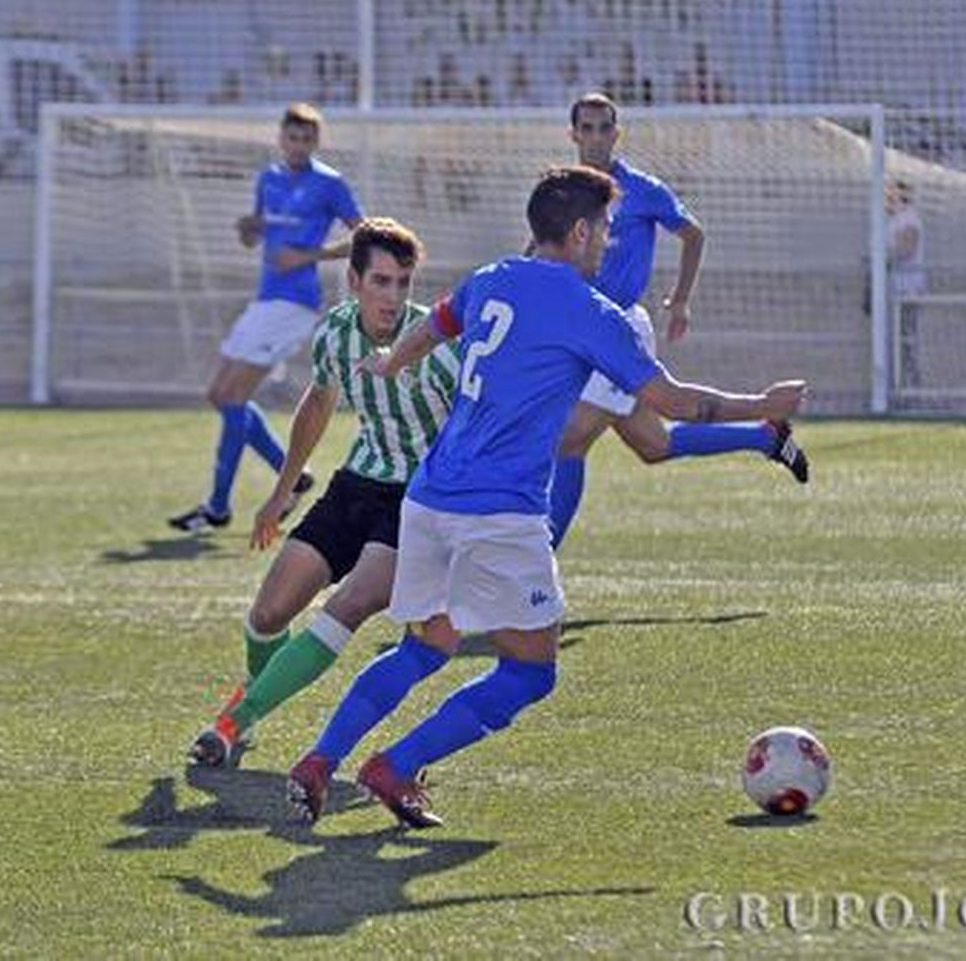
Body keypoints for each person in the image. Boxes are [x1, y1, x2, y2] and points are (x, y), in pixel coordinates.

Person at [286, 165, 807, 828]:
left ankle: (319, 760)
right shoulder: (590, 311)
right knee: (531, 672)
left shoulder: (493, 277)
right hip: (499, 511)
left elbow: (434, 326)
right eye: (608, 232)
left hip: (430, 497)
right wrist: (762, 404)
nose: (609, 246)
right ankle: (395, 764)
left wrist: (392, 362)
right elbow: (672, 401)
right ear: (582, 230)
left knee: (423, 647)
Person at [188, 218, 460, 767]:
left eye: (403, 282)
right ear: (354, 282)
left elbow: (476, 427)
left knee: (345, 607)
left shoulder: (436, 345)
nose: (393, 295)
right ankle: (251, 707)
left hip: (418, 501)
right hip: (356, 485)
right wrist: (280, 493)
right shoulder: (335, 333)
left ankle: (232, 721)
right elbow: (317, 404)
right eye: (381, 281)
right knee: (268, 615)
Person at [546, 93, 808, 549]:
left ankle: (536, 576)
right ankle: (765, 437)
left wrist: (681, 300)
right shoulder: (562, 193)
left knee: (570, 441)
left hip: (618, 330)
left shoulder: (642, 189)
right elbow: (541, 252)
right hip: (578, 332)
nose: (594, 138)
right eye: (585, 129)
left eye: (603, 128)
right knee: (654, 445)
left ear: (616, 133)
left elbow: (693, 233)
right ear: (572, 135)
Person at [169, 104, 364, 533]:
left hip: (294, 304)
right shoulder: (269, 178)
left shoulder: (329, 184)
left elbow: (364, 237)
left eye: (306, 139)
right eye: (292, 137)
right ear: (281, 138)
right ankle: (295, 475)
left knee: (233, 397)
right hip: (264, 298)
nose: (298, 145)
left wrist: (308, 255)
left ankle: (217, 507)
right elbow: (254, 238)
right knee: (219, 394)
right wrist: (248, 230)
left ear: (316, 142)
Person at [885, 180, 926, 390]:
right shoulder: (893, 220)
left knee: (906, 339)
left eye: (890, 195)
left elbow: (907, 248)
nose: (886, 199)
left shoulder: (908, 219)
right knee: (898, 340)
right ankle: (899, 384)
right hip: (895, 289)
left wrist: (883, 260)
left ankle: (911, 386)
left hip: (908, 290)